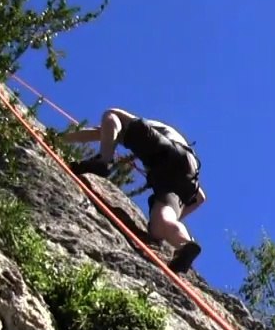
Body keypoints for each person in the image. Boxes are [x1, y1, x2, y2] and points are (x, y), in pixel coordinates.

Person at [64, 107, 205, 274]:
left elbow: (101, 131)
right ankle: (184, 244)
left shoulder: (142, 128)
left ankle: (103, 161)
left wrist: (60, 138)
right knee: (159, 225)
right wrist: (173, 211)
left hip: (170, 152)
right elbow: (200, 198)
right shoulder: (158, 135)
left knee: (112, 113)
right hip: (187, 176)